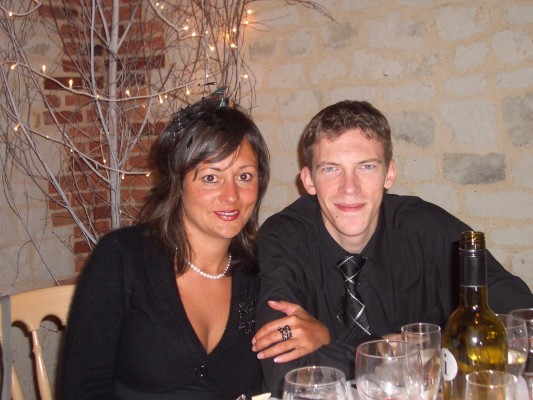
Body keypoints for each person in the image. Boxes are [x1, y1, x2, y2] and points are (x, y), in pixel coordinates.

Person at [252, 100, 533, 397]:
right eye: (331, 169)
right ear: (309, 180)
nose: (350, 188)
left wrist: (333, 344)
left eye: (367, 167)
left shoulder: (427, 229)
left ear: (389, 173)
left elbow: (521, 325)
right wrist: (394, 347)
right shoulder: (284, 237)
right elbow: (283, 375)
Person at [61, 95, 270, 399]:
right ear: (177, 183)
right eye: (211, 177)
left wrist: (315, 334)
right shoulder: (121, 258)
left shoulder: (261, 272)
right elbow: (82, 389)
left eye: (244, 176)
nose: (231, 195)